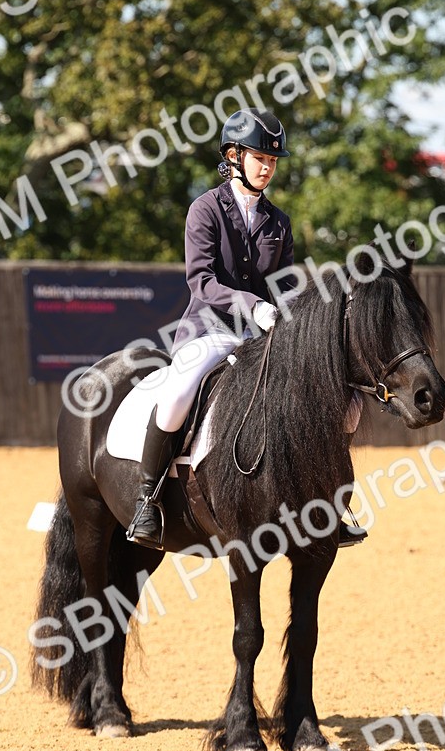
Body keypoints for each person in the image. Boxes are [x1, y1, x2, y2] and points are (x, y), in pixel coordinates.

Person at [126, 107, 368, 552]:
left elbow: (287, 285)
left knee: (343, 402)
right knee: (178, 391)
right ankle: (147, 497)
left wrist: (304, 323)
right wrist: (253, 306)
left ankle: (334, 501)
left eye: (273, 161)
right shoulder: (205, 210)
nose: (267, 167)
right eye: (260, 158)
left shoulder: (279, 222)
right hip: (209, 330)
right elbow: (201, 280)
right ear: (234, 156)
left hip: (263, 337)